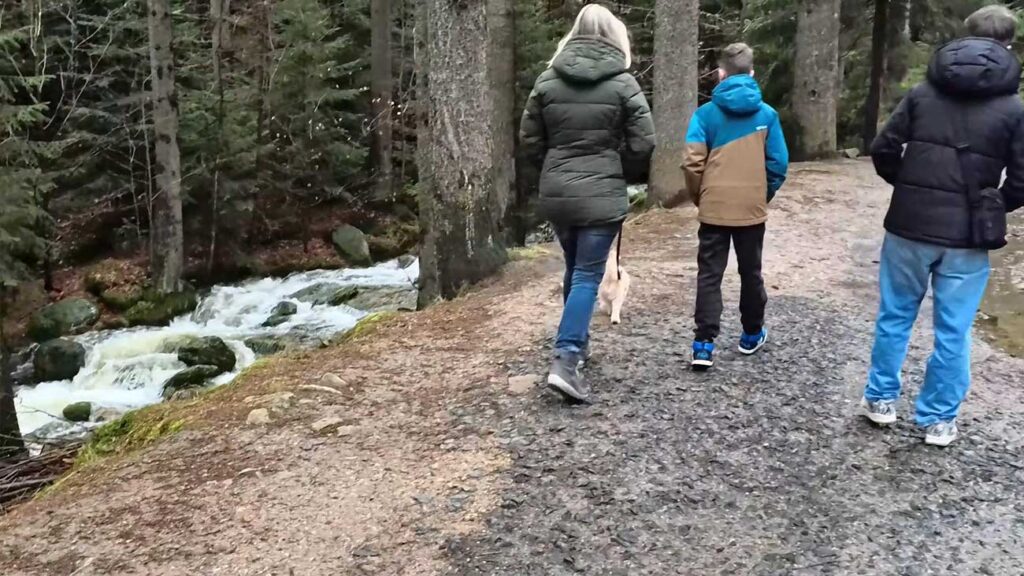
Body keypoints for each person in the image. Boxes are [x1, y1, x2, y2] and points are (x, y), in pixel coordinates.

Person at [862, 5, 1024, 447]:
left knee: (895, 315)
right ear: (1008, 44)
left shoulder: (922, 93)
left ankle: (881, 401)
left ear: (963, 36)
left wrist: (910, 185)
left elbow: (883, 148)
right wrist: (995, 205)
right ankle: (937, 420)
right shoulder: (1014, 107)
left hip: (907, 228)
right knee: (954, 329)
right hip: (968, 238)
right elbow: (1022, 178)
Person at [519, 4, 655, 403]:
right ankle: (567, 359)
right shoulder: (623, 82)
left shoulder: (548, 80)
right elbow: (644, 142)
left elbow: (529, 139)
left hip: (558, 192)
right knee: (586, 276)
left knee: (576, 269)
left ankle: (577, 344)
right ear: (615, 36)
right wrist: (620, 169)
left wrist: (552, 169)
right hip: (601, 192)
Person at [681, 43, 789, 371]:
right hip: (751, 210)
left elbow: (691, 163)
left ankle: (703, 345)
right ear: (752, 73)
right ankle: (751, 334)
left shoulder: (705, 114)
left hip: (714, 206)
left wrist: (702, 196)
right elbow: (778, 164)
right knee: (750, 271)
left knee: (710, 274)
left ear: (721, 73)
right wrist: (761, 194)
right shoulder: (768, 115)